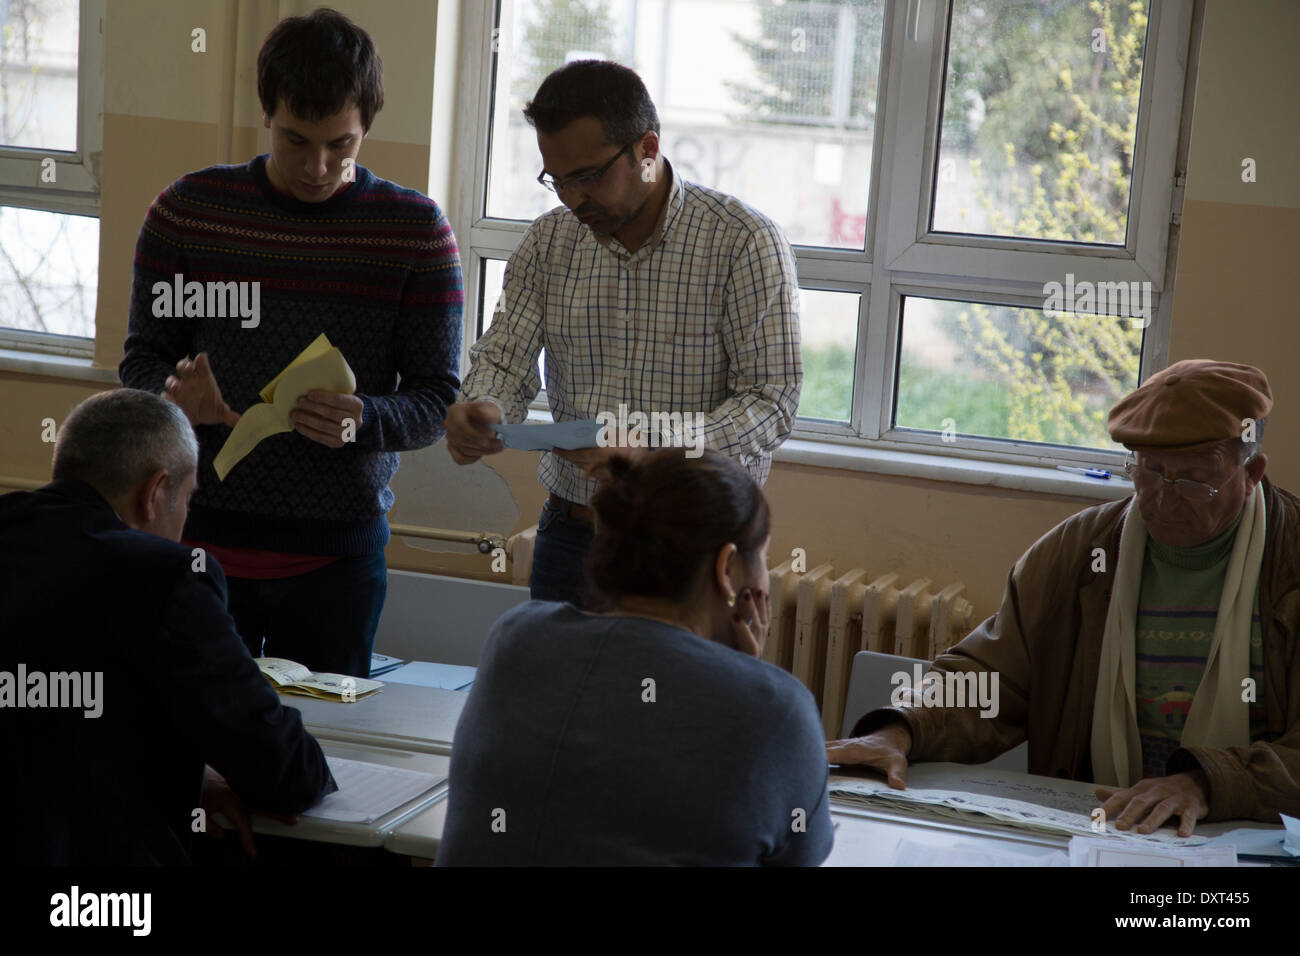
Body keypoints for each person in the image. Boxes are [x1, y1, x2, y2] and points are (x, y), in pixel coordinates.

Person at [119, 8, 463, 677]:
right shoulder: (190, 212)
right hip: (198, 543)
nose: (317, 166)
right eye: (295, 140)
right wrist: (168, 399)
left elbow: (436, 397)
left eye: (342, 144)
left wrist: (367, 417)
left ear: (367, 127)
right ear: (265, 115)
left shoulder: (414, 232)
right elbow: (139, 360)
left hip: (338, 559)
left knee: (327, 766)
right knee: (187, 754)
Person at [828, 360, 1300, 836]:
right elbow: (992, 678)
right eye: (1149, 472)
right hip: (1098, 827)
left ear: (1252, 471)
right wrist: (900, 730)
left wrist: (1206, 784)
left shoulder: (1289, 562)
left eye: (1194, 479)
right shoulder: (1079, 553)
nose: (1163, 499)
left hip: (1247, 837)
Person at [444, 60, 801, 608]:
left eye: (587, 176)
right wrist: (483, 407)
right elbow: (504, 359)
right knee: (565, 693)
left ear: (647, 149)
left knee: (678, 694)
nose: (571, 198)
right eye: (555, 179)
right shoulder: (549, 243)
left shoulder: (742, 242)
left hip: (693, 544)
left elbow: (770, 403)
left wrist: (656, 446)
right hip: (573, 533)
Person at [437, 450, 832, 865]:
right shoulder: (778, 709)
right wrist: (750, 679)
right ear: (727, 567)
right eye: (764, 556)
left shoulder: (516, 637)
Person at [0, 390, 335, 865]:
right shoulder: (166, 577)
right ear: (155, 492)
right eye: (188, 497)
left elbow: (51, 728)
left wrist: (186, 775)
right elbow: (280, 769)